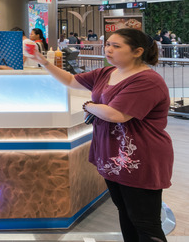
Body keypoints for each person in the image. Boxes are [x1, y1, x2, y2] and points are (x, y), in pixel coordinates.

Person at [26, 28, 172, 242]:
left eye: (116, 46)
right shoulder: (107, 72)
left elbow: (116, 114)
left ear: (137, 51)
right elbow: (70, 80)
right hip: (113, 155)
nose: (108, 49)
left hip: (140, 158)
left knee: (145, 222)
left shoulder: (147, 80)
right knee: (125, 212)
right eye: (108, 44)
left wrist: (89, 105)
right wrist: (43, 61)